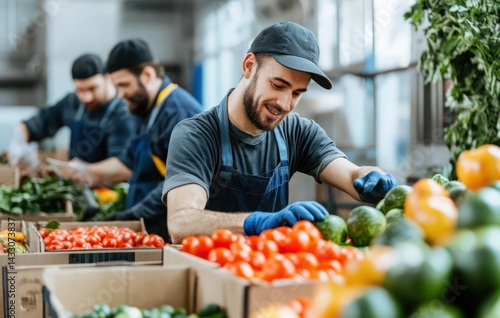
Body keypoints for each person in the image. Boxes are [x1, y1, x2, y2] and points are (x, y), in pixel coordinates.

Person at [162, 22, 398, 244]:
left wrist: (371, 176)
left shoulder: (298, 132)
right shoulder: (196, 135)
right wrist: (255, 222)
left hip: (273, 270)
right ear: (249, 66)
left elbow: (351, 175)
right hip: (212, 275)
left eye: (297, 93)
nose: (285, 104)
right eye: (278, 85)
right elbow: (180, 222)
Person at [67, 39, 203, 241]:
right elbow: (128, 163)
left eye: (124, 85)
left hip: (164, 235)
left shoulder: (179, 114)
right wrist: (87, 171)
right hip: (144, 229)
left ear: (147, 75)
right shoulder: (145, 109)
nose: (120, 95)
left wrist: (130, 215)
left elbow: (177, 184)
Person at [8, 54, 138, 171]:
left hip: (109, 193)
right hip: (77, 189)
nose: (86, 97)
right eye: (80, 90)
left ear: (108, 78)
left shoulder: (123, 113)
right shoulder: (72, 103)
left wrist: (87, 172)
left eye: (92, 89)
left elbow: (122, 167)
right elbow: (38, 122)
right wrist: (18, 141)